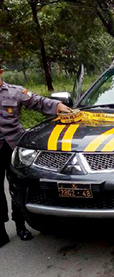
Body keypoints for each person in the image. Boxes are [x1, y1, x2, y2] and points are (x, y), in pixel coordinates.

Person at [0, 65, 72, 246]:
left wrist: (57, 105)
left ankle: (20, 225)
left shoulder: (15, 92)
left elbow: (38, 102)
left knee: (16, 186)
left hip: (14, 147)